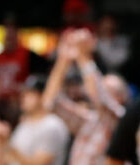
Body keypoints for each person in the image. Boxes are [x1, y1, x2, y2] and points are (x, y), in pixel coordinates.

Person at [41, 28, 129, 165]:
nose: (102, 90)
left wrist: (82, 55)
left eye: (109, 90)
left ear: (121, 97)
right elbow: (50, 102)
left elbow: (99, 97)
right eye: (102, 86)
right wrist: (63, 61)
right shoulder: (89, 121)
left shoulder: (121, 119)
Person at [0, 75, 69, 165]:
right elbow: (8, 161)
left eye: (30, 94)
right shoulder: (24, 124)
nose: (23, 97)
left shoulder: (52, 125)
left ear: (42, 96)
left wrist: (6, 143)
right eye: (24, 93)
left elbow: (39, 164)